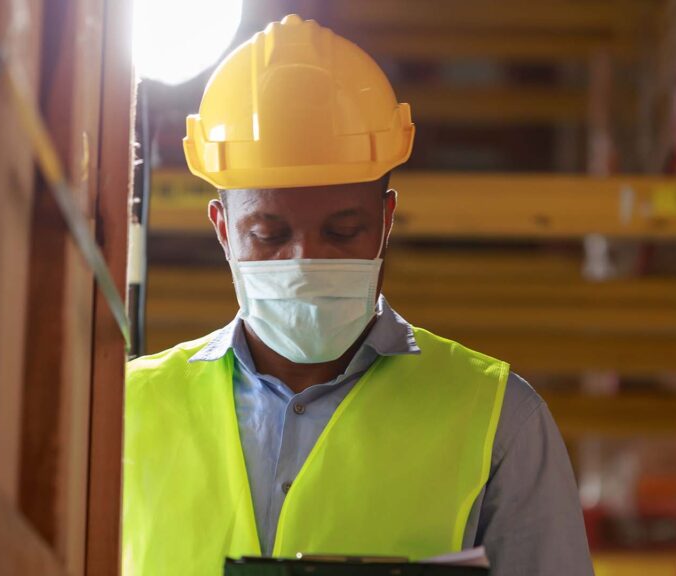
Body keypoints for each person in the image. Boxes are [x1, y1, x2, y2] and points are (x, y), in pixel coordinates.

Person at [122, 14, 593, 576]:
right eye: (269, 235)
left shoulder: (498, 423)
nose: (303, 262)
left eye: (342, 232)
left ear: (386, 219)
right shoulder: (121, 412)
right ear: (223, 229)